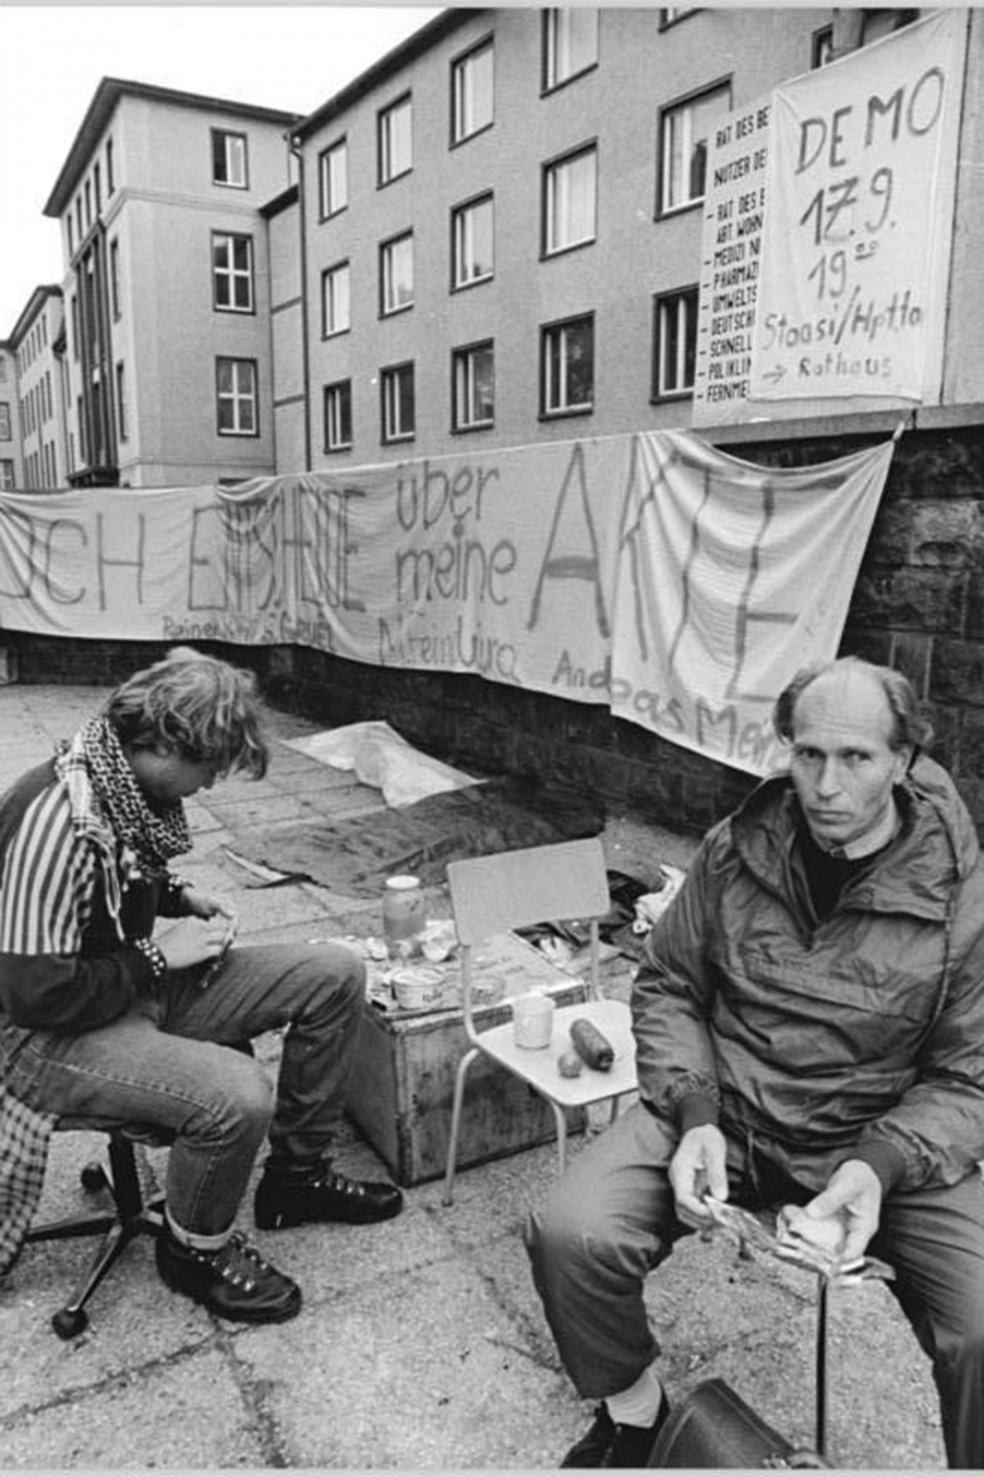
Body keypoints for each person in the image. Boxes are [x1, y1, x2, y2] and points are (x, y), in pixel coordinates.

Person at [525, 656, 984, 1469]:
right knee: (572, 1230)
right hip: (729, 1111)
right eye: (809, 754)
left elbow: (968, 1073)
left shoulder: (961, 895)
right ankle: (635, 1417)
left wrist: (880, 1163)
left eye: (856, 757)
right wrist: (695, 1110)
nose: (826, 785)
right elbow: (670, 982)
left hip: (877, 1135)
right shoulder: (735, 849)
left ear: (904, 760)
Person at [0, 646, 402, 1324]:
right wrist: (156, 959)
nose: (211, 783)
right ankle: (194, 1250)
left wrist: (177, 897)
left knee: (333, 973)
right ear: (163, 743)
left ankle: (295, 1179)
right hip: (43, 1039)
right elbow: (34, 994)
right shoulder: (54, 820)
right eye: (209, 765)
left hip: (121, 988)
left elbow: (117, 876)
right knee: (237, 1094)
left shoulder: (116, 781)